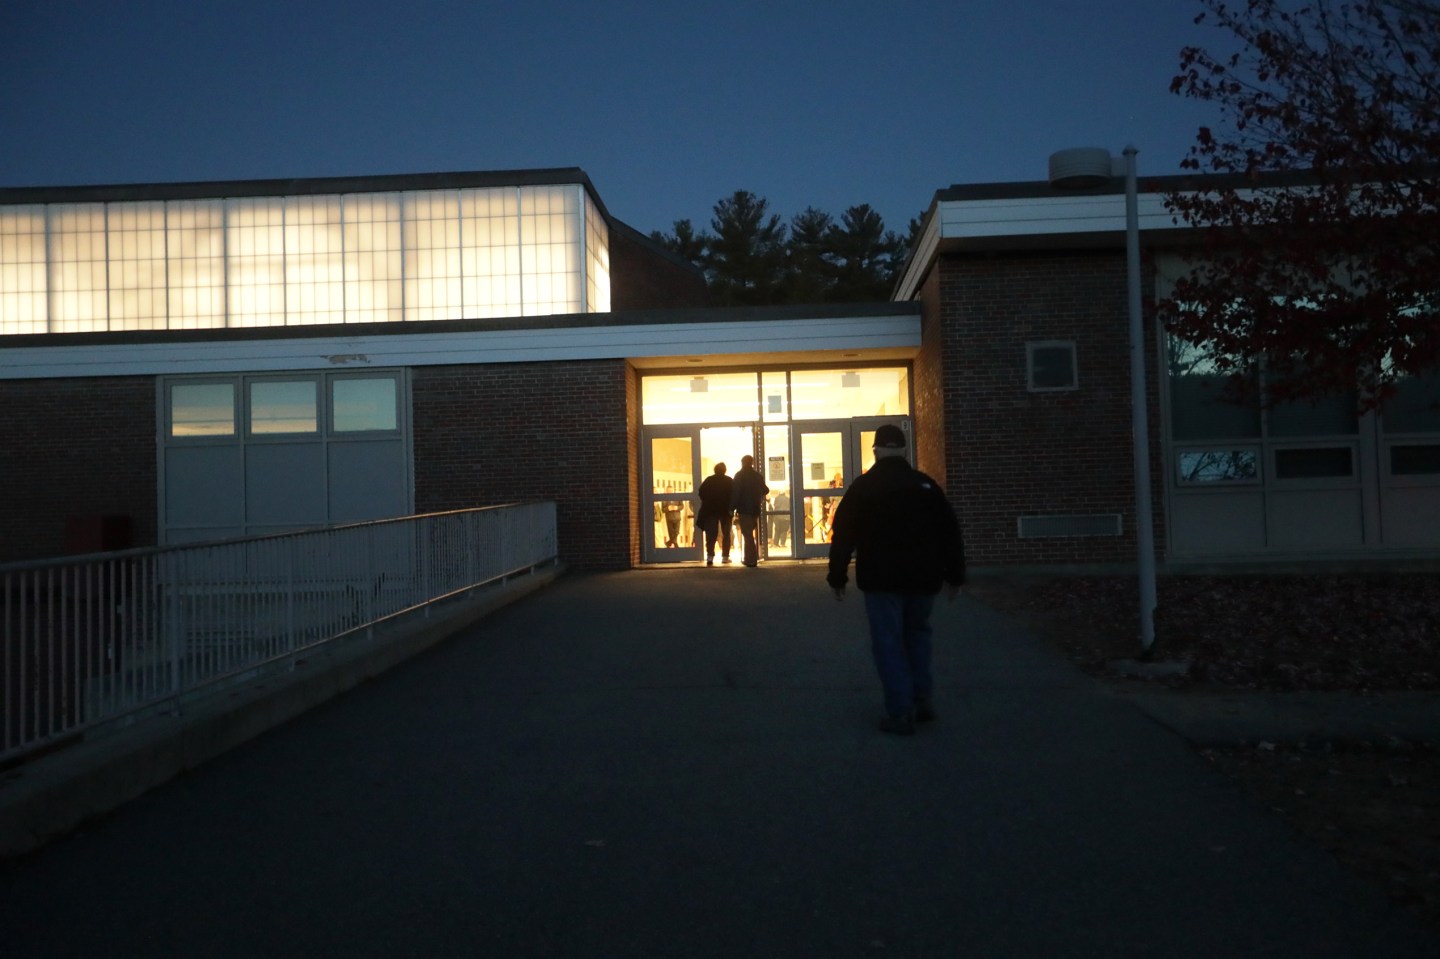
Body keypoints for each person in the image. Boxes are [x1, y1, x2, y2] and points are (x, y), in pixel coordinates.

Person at [826, 423, 965, 735]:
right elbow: (949, 532)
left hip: (881, 579)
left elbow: (843, 535)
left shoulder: (863, 488)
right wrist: (955, 575)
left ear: (875, 450)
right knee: (918, 634)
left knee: (888, 642)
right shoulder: (925, 486)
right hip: (923, 577)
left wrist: (837, 577)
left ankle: (900, 711)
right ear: (904, 450)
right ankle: (921, 698)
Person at [729, 454, 770, 567]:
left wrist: (731, 508)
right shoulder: (757, 476)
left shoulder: (739, 475)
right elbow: (766, 490)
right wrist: (757, 493)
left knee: (747, 535)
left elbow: (736, 493)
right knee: (749, 534)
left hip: (744, 509)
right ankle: (749, 558)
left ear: (742, 463)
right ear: (752, 463)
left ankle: (751, 559)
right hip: (755, 509)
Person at [695, 462, 735, 566]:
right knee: (726, 534)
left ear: (715, 470)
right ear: (724, 470)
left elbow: (701, 492)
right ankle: (725, 557)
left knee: (711, 534)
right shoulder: (729, 481)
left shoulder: (709, 480)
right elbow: (734, 495)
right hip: (725, 511)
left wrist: (708, 502)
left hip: (711, 510)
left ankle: (710, 556)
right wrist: (732, 507)